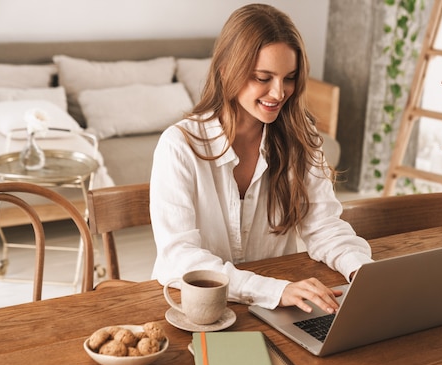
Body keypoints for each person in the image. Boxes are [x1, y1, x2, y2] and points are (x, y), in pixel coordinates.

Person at [150, 3, 373, 314]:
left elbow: (323, 226)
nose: (279, 93)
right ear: (228, 70)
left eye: (289, 78)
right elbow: (179, 257)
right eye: (263, 77)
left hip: (277, 308)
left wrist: (362, 270)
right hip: (198, 311)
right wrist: (271, 289)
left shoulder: (300, 137)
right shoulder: (179, 146)